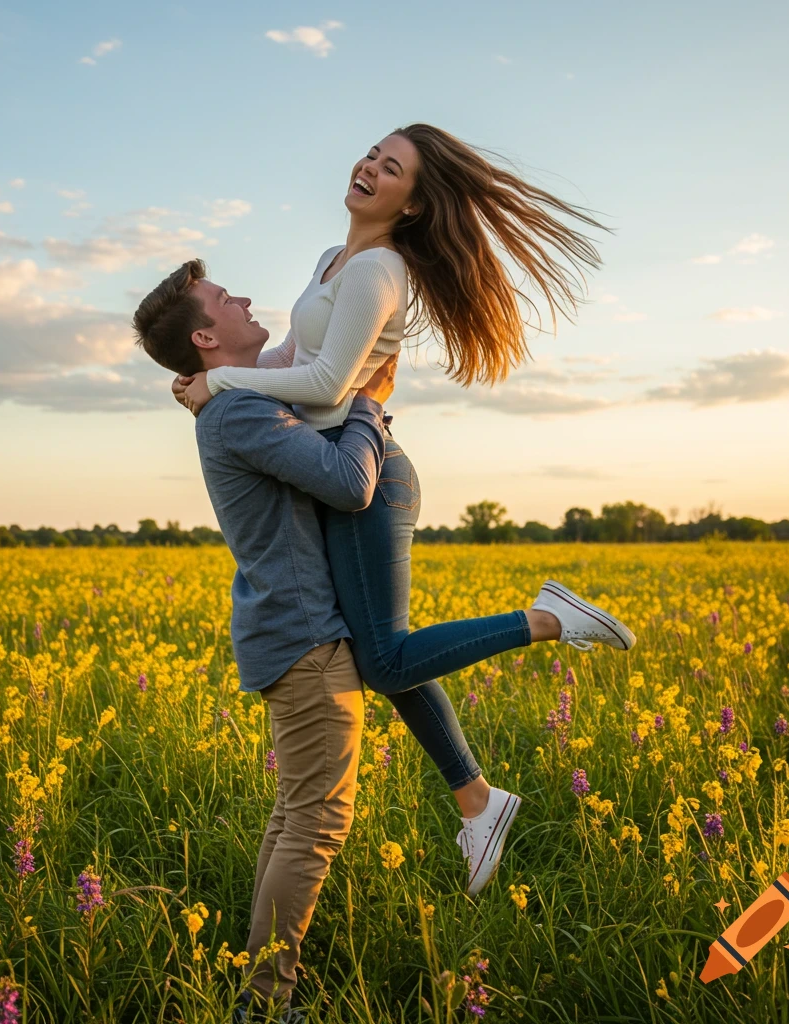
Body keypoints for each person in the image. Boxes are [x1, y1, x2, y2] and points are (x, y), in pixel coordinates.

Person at [131, 258, 635, 1022]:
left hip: (287, 631)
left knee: (293, 817)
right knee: (315, 824)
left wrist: (207, 385)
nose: (241, 296)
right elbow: (350, 483)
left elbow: (288, 380)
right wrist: (370, 406)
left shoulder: (232, 400)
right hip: (304, 638)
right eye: (222, 299)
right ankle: (266, 1005)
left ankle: (262, 993)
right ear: (205, 336)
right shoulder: (238, 413)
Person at [169, 124, 634, 893]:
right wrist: (203, 379)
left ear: (412, 205)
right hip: (340, 469)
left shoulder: (379, 269)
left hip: (370, 479)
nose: (369, 168)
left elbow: (325, 388)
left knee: (383, 659)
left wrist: (219, 386)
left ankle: (550, 620)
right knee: (379, 654)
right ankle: (477, 802)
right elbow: (289, 360)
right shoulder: (333, 260)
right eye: (371, 155)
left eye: (392, 169)